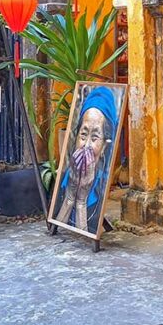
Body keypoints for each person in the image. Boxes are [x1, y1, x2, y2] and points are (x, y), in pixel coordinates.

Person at [54, 87, 119, 234]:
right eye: (83, 135)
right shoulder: (64, 182)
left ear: (103, 147)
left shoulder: (101, 186)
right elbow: (59, 222)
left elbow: (82, 233)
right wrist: (70, 195)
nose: (87, 145)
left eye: (95, 137)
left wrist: (82, 200)